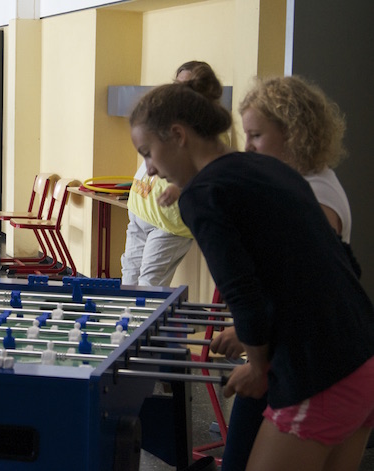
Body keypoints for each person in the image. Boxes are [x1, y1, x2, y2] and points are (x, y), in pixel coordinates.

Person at [129, 76, 374, 470]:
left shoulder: (203, 195)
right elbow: (342, 263)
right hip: (362, 354)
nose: (151, 169)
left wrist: (258, 368)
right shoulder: (264, 168)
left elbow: (242, 292)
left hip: (320, 371)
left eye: (148, 153)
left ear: (177, 135)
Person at [212, 75, 354, 471]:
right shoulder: (299, 183)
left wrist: (253, 341)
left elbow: (309, 295)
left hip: (306, 365)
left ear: (293, 133)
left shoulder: (316, 195)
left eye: (256, 135)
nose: (248, 146)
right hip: (291, 357)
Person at [121, 61, 221, 287]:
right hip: (140, 211)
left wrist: (178, 187)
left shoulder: (207, 131)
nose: (180, 92)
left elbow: (203, 171)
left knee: (149, 284)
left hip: (168, 223)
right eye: (177, 85)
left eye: (188, 87)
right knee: (129, 279)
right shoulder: (165, 118)